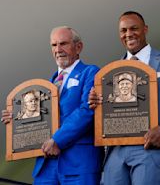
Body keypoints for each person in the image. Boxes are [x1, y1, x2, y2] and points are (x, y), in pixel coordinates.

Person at [88, 11, 160, 185]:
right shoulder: (110, 72)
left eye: (134, 28)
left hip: (153, 148)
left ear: (145, 29)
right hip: (117, 152)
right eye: (123, 31)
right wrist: (97, 102)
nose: (128, 34)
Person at [1, 26, 104, 184]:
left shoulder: (91, 72)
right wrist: (16, 119)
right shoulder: (48, 84)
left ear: (78, 47)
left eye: (63, 43)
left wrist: (57, 140)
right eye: (54, 45)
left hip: (78, 163)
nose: (58, 49)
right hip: (46, 166)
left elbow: (86, 111)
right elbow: (39, 118)